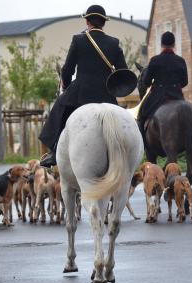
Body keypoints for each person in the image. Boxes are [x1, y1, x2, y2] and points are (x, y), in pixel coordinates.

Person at [39, 5, 128, 167]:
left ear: (87, 21)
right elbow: (123, 72)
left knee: (59, 109)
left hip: (81, 92)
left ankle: (54, 152)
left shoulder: (78, 40)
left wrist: (65, 86)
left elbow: (67, 70)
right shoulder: (114, 43)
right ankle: (128, 152)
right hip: (106, 94)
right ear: (103, 23)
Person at [138, 31, 188, 146]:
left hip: (157, 96)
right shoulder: (180, 61)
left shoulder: (155, 60)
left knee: (142, 115)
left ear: (161, 44)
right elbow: (185, 82)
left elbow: (146, 81)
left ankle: (144, 144)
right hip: (177, 96)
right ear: (174, 44)